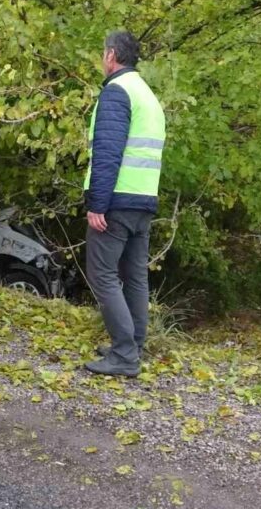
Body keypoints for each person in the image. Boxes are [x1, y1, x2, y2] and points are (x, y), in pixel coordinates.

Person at [83, 31, 166, 377]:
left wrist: (97, 204)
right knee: (134, 277)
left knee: (102, 274)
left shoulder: (117, 92)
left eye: (104, 53)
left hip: (116, 201)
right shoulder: (147, 95)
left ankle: (124, 354)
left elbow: (107, 153)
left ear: (111, 55)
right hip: (144, 200)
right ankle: (134, 344)